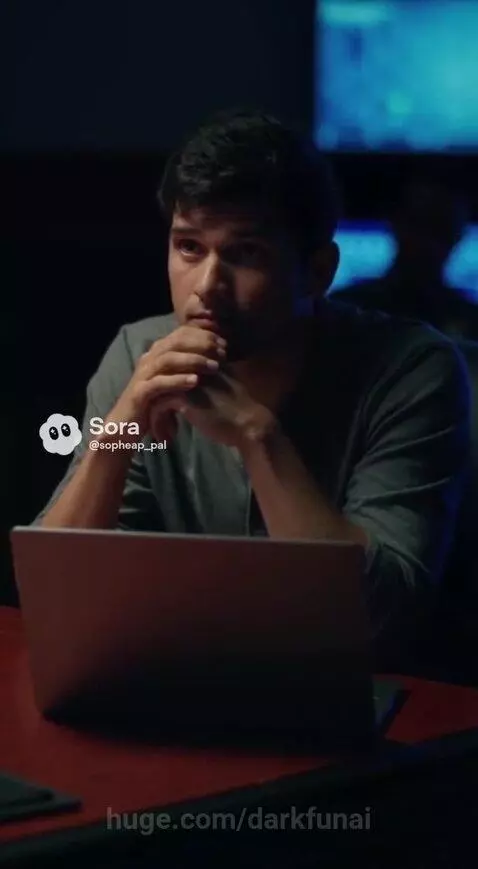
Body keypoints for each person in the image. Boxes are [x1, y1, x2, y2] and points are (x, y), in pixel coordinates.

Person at [35, 109, 470, 667]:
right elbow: (58, 592)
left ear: (317, 272)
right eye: (189, 247)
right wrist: (116, 436)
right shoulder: (138, 355)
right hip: (179, 675)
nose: (207, 286)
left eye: (245, 254)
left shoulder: (415, 370)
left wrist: (256, 434)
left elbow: (376, 625)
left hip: (351, 701)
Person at [330, 179, 478, 341]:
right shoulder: (346, 309)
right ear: (397, 224)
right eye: (420, 224)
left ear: (458, 236)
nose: (428, 241)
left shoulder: (471, 320)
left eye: (440, 229)